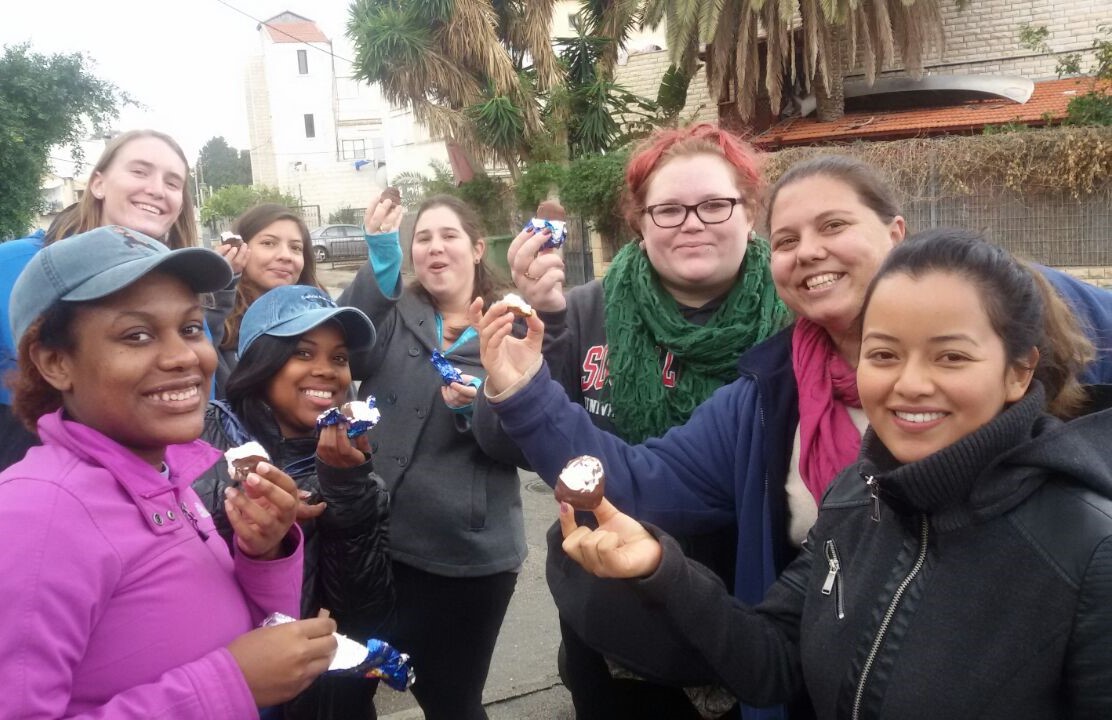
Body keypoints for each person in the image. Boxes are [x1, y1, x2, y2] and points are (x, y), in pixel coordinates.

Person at [473, 155, 1112, 719]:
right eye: (881, 357)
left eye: (833, 226)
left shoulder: (1006, 312)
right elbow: (771, 645)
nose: (911, 387)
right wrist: (529, 392)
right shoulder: (827, 459)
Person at [505, 123, 788, 719]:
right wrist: (545, 324)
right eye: (668, 209)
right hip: (612, 625)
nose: (692, 222)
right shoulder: (585, 309)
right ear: (640, 220)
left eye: (714, 204)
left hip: (749, 624)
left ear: (750, 212)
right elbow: (500, 440)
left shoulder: (795, 324)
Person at [0, 225, 336, 718]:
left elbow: (218, 627)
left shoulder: (168, 473)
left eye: (191, 328)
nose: (184, 357)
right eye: (136, 335)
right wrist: (230, 684)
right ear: (55, 362)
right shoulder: (34, 515)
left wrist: (263, 553)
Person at [339, 194, 526, 720]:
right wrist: (378, 263)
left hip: (465, 557)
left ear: (477, 247)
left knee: (449, 699)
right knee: (348, 687)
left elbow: (532, 447)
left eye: (448, 236)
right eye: (423, 238)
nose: (435, 248)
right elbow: (350, 354)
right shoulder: (396, 310)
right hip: (377, 544)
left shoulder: (513, 327)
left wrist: (479, 409)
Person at [195, 283, 392, 720]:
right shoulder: (200, 438)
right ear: (261, 362)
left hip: (319, 702)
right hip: (218, 691)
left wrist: (347, 490)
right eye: (303, 353)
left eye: (339, 358)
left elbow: (362, 615)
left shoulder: (356, 473)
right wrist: (254, 523)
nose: (328, 371)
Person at [1, 130, 247, 470]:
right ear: (98, 183)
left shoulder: (181, 295)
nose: (157, 189)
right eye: (140, 171)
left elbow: (191, 409)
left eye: (173, 183)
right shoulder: (10, 264)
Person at [213, 204, 321, 395]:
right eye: (269, 243)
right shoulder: (215, 323)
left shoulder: (321, 318)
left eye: (296, 248)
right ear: (239, 248)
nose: (286, 256)